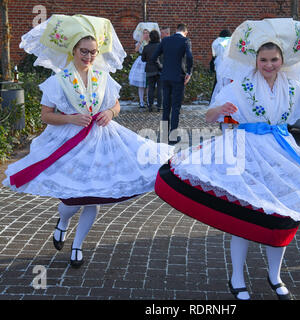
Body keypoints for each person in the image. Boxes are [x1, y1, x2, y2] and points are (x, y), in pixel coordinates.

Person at [155, 18, 300, 300]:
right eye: (264, 60)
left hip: (280, 151)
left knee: (280, 215)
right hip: (248, 152)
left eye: (274, 59)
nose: (269, 65)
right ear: (256, 61)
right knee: (246, 215)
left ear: (282, 60)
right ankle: (237, 277)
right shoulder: (241, 86)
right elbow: (212, 116)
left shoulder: (292, 88)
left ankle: (274, 276)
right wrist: (222, 110)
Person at [2, 14, 173, 268]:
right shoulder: (58, 81)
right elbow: (45, 115)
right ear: (73, 50)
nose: (89, 57)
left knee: (93, 196)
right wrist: (70, 119)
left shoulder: (102, 77)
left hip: (101, 141)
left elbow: (115, 104)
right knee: (72, 200)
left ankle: (77, 246)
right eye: (84, 51)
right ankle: (62, 222)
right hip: (70, 143)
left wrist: (110, 112)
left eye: (93, 52)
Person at [151, 23, 193, 144]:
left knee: (166, 106)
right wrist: (189, 72)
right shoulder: (185, 41)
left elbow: (154, 57)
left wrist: (161, 69)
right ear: (186, 32)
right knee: (175, 107)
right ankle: (173, 136)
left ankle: (164, 136)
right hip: (178, 77)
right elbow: (189, 57)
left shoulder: (165, 40)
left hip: (165, 77)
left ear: (176, 30)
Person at [141, 30, 162, 112]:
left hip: (150, 70)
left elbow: (143, 59)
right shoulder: (161, 46)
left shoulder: (146, 47)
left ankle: (150, 106)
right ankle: (159, 106)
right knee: (160, 88)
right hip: (160, 69)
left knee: (151, 88)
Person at [129, 27, 150, 108]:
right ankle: (141, 101)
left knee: (148, 83)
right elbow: (136, 50)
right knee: (141, 83)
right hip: (141, 62)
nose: (145, 34)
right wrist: (141, 41)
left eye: (147, 33)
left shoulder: (151, 42)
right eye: (144, 33)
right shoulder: (140, 42)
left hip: (149, 62)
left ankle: (148, 100)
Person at [210, 29, 232, 104]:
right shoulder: (231, 42)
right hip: (229, 65)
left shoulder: (216, 42)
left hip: (218, 64)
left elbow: (214, 55)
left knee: (219, 84)